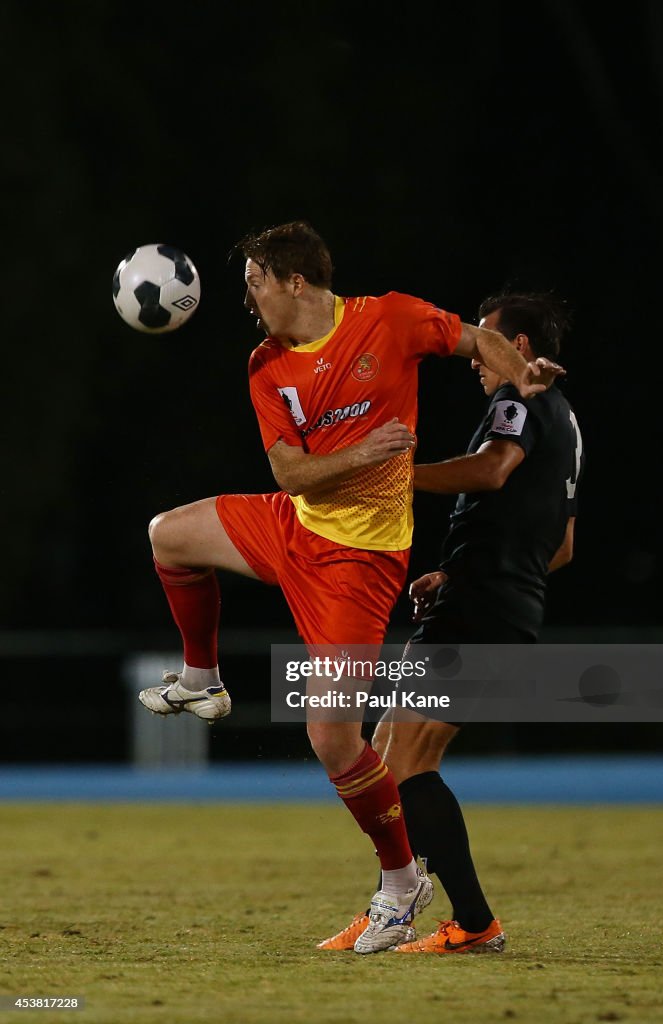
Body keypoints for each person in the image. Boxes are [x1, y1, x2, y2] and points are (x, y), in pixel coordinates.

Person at [136, 225, 563, 954]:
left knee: (333, 740)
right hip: (292, 525)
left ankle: (401, 886)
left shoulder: (389, 318)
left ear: (292, 279)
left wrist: (519, 378)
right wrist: (364, 451)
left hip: (357, 563)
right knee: (168, 534)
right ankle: (203, 679)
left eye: (254, 282)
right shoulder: (265, 364)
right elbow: (289, 475)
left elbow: (474, 340)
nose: (247, 297)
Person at [318, 291, 583, 954]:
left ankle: (466, 920)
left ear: (517, 348)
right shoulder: (566, 420)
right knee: (387, 750)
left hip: (481, 612)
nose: (471, 355)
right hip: (486, 603)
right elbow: (562, 543)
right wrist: (461, 575)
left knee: (402, 763)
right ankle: (399, 903)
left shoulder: (518, 398)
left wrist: (394, 474)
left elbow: (493, 470)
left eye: (483, 339)